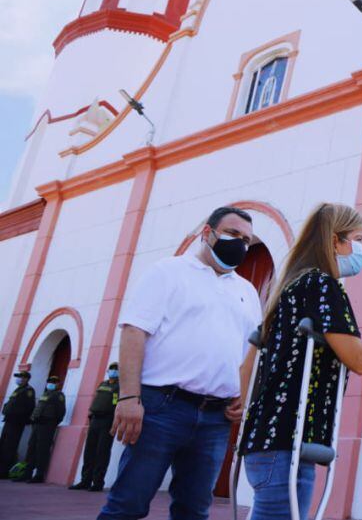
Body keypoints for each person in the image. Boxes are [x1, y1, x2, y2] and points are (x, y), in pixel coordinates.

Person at [239, 203, 362, 520]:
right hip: (288, 441)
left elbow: (253, 357)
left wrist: (241, 406)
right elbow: (360, 359)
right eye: (357, 238)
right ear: (335, 240)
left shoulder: (289, 287)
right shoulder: (323, 286)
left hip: (268, 437)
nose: (361, 249)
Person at [98, 206, 263, 520]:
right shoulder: (168, 272)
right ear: (207, 233)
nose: (239, 243)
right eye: (232, 234)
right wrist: (129, 397)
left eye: (245, 239)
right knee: (127, 505)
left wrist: (243, 395)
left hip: (216, 419)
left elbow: (247, 352)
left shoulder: (247, 291)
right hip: (161, 408)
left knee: (194, 510)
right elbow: (134, 331)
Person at [70, 362, 120, 491]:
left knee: (102, 452)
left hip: (108, 420)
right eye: (112, 369)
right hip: (95, 420)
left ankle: (97, 482)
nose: (113, 371)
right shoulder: (102, 384)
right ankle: (85, 480)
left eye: (116, 369)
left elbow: (117, 404)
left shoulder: (120, 386)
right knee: (89, 451)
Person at [19, 374, 66, 483]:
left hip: (47, 425)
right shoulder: (45, 394)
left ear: (58, 384)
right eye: (50, 381)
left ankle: (39, 474)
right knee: (31, 448)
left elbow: (61, 412)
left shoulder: (59, 395)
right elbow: (38, 408)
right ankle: (27, 473)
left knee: (42, 450)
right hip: (37, 424)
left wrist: (52, 422)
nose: (51, 383)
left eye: (54, 382)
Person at [0, 371, 35, 478]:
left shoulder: (29, 391)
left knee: (9, 447)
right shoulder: (18, 389)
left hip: (16, 422)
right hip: (9, 420)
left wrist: (23, 418)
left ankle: (4, 472)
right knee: (3, 445)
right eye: (18, 377)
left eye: (20, 377)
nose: (18, 379)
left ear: (26, 379)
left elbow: (29, 407)